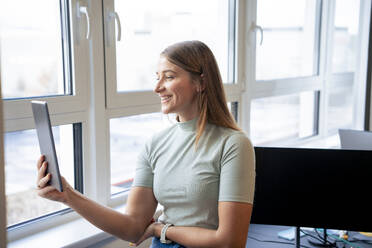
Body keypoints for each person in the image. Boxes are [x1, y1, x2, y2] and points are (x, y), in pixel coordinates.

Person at [36, 40, 255, 248]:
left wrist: (161, 230)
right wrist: (69, 195)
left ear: (201, 82)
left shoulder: (233, 144)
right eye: (157, 77)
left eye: (168, 77)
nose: (157, 88)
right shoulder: (155, 144)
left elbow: (230, 242)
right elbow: (132, 227)